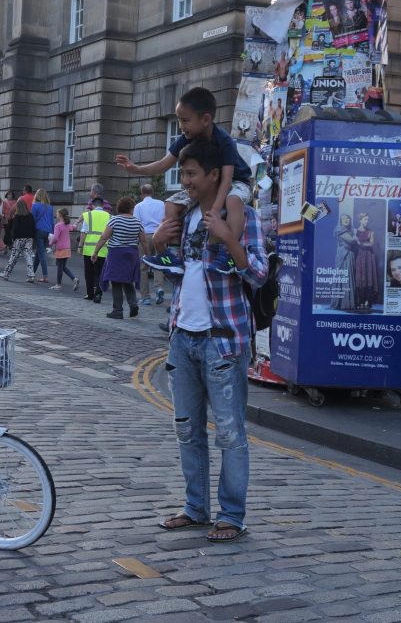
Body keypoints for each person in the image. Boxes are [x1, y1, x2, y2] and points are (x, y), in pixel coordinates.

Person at [152, 139, 267, 543]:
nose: (185, 183)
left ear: (214, 175)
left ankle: (232, 516)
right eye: (182, 174)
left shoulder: (242, 215)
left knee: (231, 432)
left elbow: (258, 274)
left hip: (224, 340)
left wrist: (228, 239)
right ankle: (195, 508)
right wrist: (160, 245)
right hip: (183, 338)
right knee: (187, 429)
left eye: (191, 175)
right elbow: (181, 276)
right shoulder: (183, 217)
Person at [116, 87, 252, 275]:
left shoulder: (224, 141)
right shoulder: (186, 138)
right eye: (179, 120)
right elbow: (164, 164)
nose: (181, 125)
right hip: (207, 185)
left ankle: (229, 255)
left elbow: (227, 179)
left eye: (185, 120)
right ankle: (171, 256)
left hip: (237, 181)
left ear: (205, 119)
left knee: (233, 201)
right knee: (171, 204)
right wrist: (135, 169)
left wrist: (214, 211)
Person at [91, 196, 147, 319]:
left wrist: (95, 252)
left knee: (116, 281)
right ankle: (133, 305)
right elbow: (143, 240)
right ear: (131, 209)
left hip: (116, 254)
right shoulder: (138, 222)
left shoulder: (114, 221)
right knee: (128, 281)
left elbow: (104, 238)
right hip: (132, 254)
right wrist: (147, 255)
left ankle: (117, 310)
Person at [133, 183, 166, 306]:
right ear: (152, 192)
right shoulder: (161, 204)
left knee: (143, 267)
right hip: (159, 235)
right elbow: (165, 219)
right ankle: (159, 287)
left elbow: (137, 224)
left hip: (145, 236)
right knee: (159, 264)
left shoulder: (139, 206)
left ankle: (145, 297)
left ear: (142, 193)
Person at [79, 197, 110, 302]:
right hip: (103, 249)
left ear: (92, 205)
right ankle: (98, 294)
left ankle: (90, 293)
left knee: (89, 273)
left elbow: (84, 232)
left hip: (88, 249)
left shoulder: (88, 215)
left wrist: (80, 246)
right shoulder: (109, 216)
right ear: (102, 205)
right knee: (100, 273)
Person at [0, 199, 36, 282]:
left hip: (19, 239)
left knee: (14, 257)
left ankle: (6, 274)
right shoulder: (30, 215)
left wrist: (13, 238)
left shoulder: (17, 216)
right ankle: (31, 275)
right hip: (29, 238)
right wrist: (32, 236)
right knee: (28, 256)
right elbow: (33, 227)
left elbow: (15, 229)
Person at [331, 214, 358, 310]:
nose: (346, 220)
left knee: (349, 277)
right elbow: (352, 241)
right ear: (341, 221)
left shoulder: (348, 230)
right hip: (343, 255)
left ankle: (348, 302)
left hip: (349, 254)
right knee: (344, 277)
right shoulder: (340, 229)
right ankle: (342, 303)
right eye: (343, 219)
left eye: (348, 218)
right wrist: (355, 233)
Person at [49, 207, 79, 291]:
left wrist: (50, 244)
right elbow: (73, 227)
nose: (56, 214)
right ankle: (74, 279)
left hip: (60, 249)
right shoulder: (67, 225)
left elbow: (55, 238)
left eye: (57, 213)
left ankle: (58, 284)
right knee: (63, 267)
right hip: (67, 248)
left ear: (60, 215)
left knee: (59, 267)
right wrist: (76, 222)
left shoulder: (58, 225)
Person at [354, 214, 379, 309]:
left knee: (369, 278)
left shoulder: (370, 231)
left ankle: (368, 301)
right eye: (365, 219)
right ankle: (360, 301)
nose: (367, 221)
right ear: (360, 220)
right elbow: (353, 242)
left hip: (369, 256)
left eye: (368, 220)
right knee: (360, 278)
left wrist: (359, 243)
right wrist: (358, 242)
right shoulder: (355, 231)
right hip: (359, 255)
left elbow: (371, 243)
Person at [30, 188, 53, 282]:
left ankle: (45, 276)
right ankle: (32, 273)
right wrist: (53, 232)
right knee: (39, 253)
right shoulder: (50, 207)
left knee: (41, 253)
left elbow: (33, 220)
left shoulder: (35, 206)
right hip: (48, 231)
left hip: (39, 230)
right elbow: (52, 221)